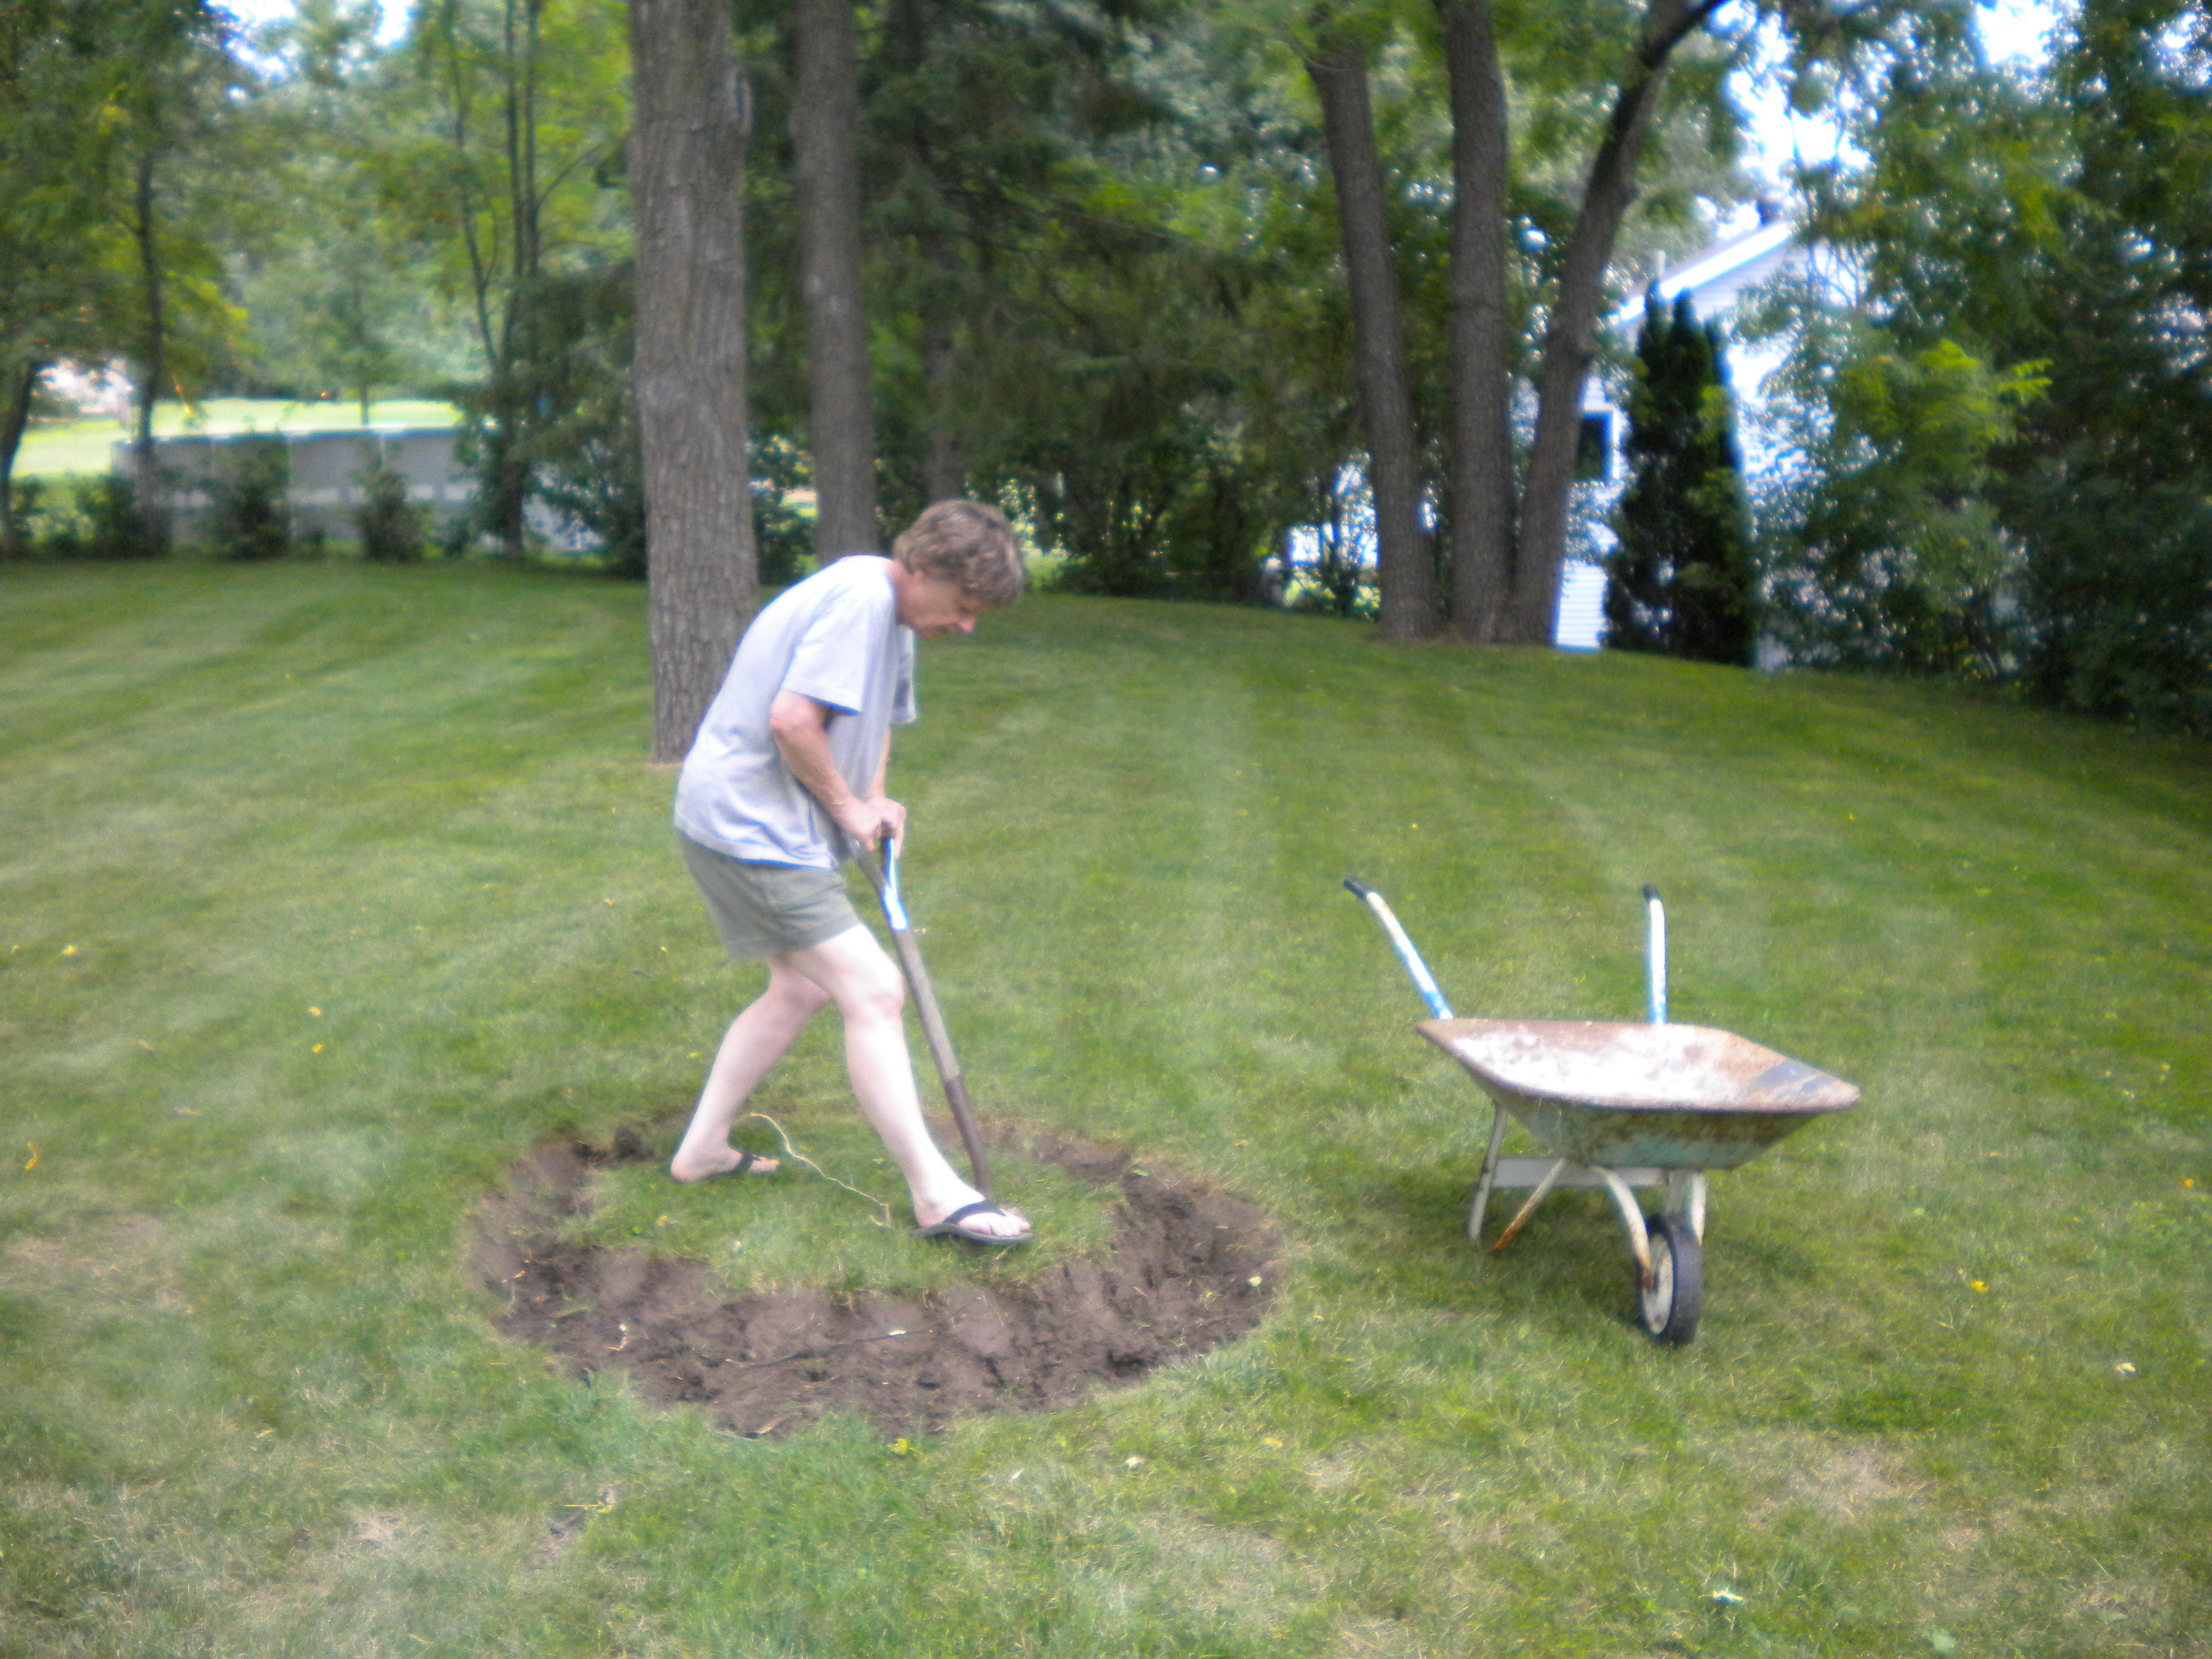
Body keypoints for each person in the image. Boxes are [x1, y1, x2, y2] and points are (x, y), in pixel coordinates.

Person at [665, 500, 1032, 1245]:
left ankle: (702, 1152)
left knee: (800, 987)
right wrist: (844, 805)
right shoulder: (862, 601)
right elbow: (792, 720)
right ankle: (937, 1195)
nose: (967, 626)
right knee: (875, 989)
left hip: (766, 824)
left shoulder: (894, 612)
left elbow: (877, 720)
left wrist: (873, 799)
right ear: (922, 569)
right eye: (963, 606)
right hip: (750, 826)